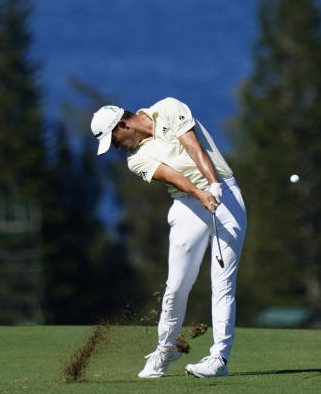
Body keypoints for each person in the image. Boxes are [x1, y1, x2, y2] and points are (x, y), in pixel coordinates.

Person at [91, 97, 248, 379]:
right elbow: (174, 177)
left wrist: (213, 183)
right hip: (188, 205)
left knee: (223, 282)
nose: (116, 148)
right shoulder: (136, 160)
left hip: (226, 195)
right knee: (176, 286)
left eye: (113, 140)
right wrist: (201, 193)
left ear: (122, 124)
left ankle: (219, 359)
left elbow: (192, 145)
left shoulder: (168, 108)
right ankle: (166, 349)